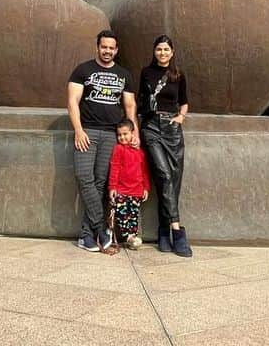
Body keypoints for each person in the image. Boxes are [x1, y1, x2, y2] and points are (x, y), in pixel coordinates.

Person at [67, 30, 136, 253]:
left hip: (111, 135)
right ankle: (102, 231)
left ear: (116, 50)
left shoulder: (124, 74)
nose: (107, 51)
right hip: (87, 131)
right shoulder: (82, 70)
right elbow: (72, 101)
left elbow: (129, 106)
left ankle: (86, 236)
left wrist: (134, 133)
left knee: (99, 183)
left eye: (111, 48)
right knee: (84, 176)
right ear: (97, 47)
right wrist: (78, 130)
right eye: (103, 47)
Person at [138, 35, 192, 256]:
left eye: (166, 50)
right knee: (163, 174)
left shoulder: (178, 75)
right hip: (151, 127)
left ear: (172, 52)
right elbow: (141, 99)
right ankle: (177, 231)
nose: (162, 53)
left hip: (172, 128)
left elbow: (185, 101)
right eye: (159, 49)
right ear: (154, 51)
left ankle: (162, 232)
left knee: (174, 179)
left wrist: (181, 117)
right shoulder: (146, 73)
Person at [108, 118, 150, 250]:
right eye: (119, 134)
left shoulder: (140, 152)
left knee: (133, 216)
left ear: (133, 133)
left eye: (125, 134)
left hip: (136, 191)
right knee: (121, 216)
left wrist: (146, 188)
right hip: (121, 190)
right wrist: (112, 187)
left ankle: (132, 236)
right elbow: (114, 168)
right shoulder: (118, 149)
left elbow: (144, 171)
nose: (122, 137)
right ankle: (128, 237)